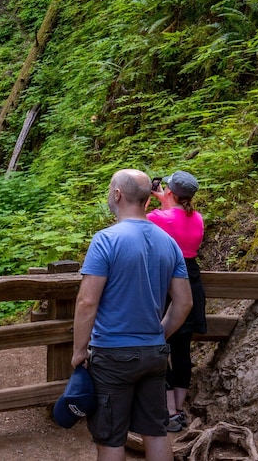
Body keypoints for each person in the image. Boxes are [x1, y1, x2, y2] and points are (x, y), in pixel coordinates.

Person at [72, 169, 192, 461]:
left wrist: (78, 351)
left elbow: (87, 301)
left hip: (112, 354)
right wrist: (159, 334)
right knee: (156, 432)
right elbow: (184, 302)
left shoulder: (106, 240)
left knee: (111, 437)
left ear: (117, 195)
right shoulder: (168, 242)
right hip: (154, 354)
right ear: (147, 199)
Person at [148, 170, 206, 432]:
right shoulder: (198, 218)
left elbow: (136, 221)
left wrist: (151, 201)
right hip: (191, 282)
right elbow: (177, 219)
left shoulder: (158, 218)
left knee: (158, 343)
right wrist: (166, 199)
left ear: (169, 191)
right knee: (182, 349)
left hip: (167, 281)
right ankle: (178, 408)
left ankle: (169, 410)